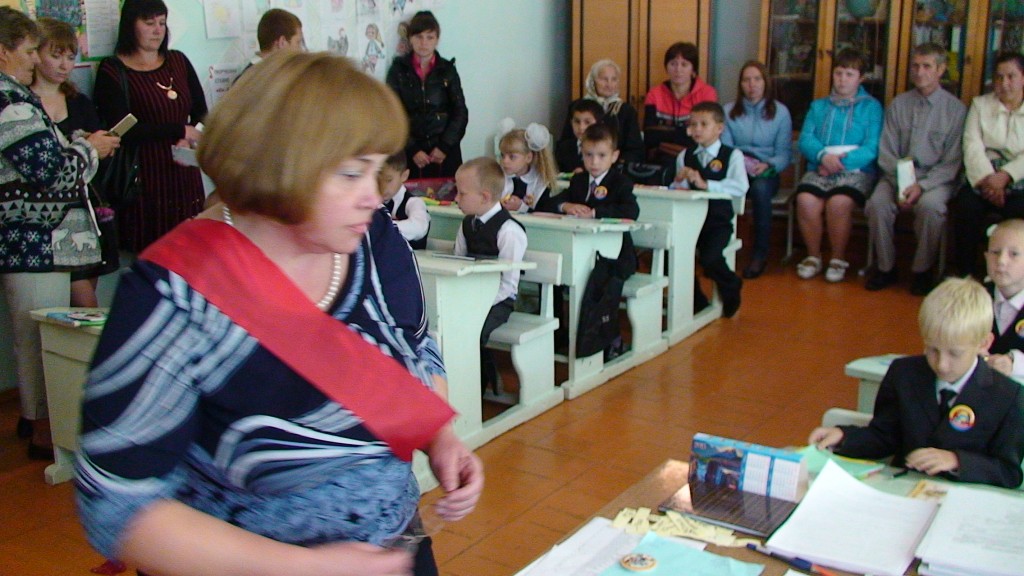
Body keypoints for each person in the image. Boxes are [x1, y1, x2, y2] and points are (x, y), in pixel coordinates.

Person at [75, 52, 483, 576]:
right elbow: (117, 507)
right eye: (351, 172)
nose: (373, 195)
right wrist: (308, 568)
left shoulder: (373, 238)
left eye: (376, 169)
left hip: (392, 549)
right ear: (282, 165)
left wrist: (439, 437)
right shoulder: (173, 294)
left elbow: (414, 347)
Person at [0, 7, 119, 458]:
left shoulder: (15, 98)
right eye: (30, 50)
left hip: (34, 240)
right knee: (38, 340)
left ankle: (40, 422)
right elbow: (52, 173)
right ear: (4, 51)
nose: (35, 60)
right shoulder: (10, 103)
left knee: (35, 338)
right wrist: (90, 149)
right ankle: (44, 433)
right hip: (33, 240)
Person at [809, 277, 1024, 489]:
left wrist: (957, 461)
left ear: (984, 343)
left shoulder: (1008, 396)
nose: (942, 365)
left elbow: (1009, 472)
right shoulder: (904, 374)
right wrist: (844, 437)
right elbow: (884, 437)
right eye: (932, 349)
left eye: (955, 353)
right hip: (905, 491)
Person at [93, 0, 208, 252]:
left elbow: (202, 112)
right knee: (151, 254)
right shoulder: (113, 70)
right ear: (130, 26)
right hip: (143, 179)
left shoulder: (178, 61)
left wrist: (190, 136)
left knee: (190, 250)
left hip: (183, 174)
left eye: (162, 23)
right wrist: (179, 130)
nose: (158, 30)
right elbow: (122, 130)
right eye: (149, 23)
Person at [30, 17, 122, 307]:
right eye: (56, 56)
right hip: (48, 214)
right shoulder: (24, 104)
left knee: (83, 297)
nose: (64, 65)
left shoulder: (79, 101)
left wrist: (102, 145)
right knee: (83, 302)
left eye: (70, 58)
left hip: (86, 208)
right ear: (35, 55)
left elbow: (98, 157)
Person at [865, 43, 966, 296]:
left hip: (935, 179)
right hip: (896, 176)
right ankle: (886, 267)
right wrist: (903, 184)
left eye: (927, 66)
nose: (920, 72)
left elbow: (952, 163)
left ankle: (922, 270)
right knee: (877, 204)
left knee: (931, 208)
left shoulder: (955, 110)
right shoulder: (899, 104)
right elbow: (886, 151)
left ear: (941, 70)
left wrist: (921, 186)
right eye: (916, 66)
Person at [795, 48, 883, 283]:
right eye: (838, 73)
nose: (842, 79)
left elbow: (873, 146)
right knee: (805, 200)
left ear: (860, 78)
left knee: (839, 203)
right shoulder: (818, 106)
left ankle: (837, 258)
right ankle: (813, 256)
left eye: (849, 74)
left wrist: (838, 164)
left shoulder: (871, 107)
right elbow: (806, 139)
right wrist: (823, 157)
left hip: (856, 171)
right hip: (820, 167)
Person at [453, 157, 527, 393]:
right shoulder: (466, 224)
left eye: (462, 193)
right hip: (470, 297)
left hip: (498, 302)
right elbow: (458, 262)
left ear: (484, 196)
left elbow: (509, 285)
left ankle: (475, 387)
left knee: (472, 331)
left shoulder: (509, 231)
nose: (456, 199)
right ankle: (468, 382)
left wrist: (479, 303)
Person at [670, 101, 748, 318]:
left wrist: (707, 185)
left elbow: (740, 186)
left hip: (717, 222)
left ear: (719, 128)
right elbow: (679, 191)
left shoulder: (732, 155)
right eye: (693, 124)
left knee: (710, 258)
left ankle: (731, 284)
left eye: (704, 124)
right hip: (690, 221)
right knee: (674, 257)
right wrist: (679, 181)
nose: (697, 129)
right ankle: (697, 301)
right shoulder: (684, 156)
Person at [954, 52, 1024, 278]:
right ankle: (966, 276)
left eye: (1011, 76)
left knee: (1018, 213)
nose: (1004, 83)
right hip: (983, 179)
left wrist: (1006, 175)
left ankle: (1012, 277)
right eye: (999, 77)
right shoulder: (980, 105)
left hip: (1018, 180)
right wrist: (989, 181)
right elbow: (972, 145)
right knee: (966, 207)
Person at [722, 60, 792, 279]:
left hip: (766, 170)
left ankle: (759, 255)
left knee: (761, 190)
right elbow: (725, 148)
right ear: (740, 84)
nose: (752, 85)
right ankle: (718, 252)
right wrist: (739, 163)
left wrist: (769, 164)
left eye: (757, 79)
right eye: (746, 80)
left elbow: (784, 153)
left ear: (765, 82)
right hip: (737, 168)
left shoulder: (781, 112)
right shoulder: (728, 111)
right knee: (718, 190)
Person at [541, 122, 640, 274]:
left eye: (602, 155)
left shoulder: (620, 182)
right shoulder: (578, 180)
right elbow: (549, 203)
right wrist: (566, 206)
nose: (594, 162)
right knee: (556, 266)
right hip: (580, 249)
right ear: (582, 153)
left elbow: (631, 211)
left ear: (614, 156)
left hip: (615, 256)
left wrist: (594, 213)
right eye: (589, 155)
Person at [386, 10, 468, 179]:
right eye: (418, 37)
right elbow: (391, 114)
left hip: (445, 152)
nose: (424, 43)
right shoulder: (398, 70)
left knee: (450, 194)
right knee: (412, 196)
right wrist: (412, 149)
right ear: (410, 38)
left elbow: (460, 112)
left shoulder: (448, 70)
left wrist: (444, 146)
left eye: (430, 37)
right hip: (411, 154)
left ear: (437, 40)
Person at [643, 42, 717, 167]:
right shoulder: (654, 94)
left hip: (696, 156)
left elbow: (706, 134)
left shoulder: (707, 93)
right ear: (666, 67)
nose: (678, 69)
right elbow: (650, 136)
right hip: (661, 158)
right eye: (673, 64)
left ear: (693, 69)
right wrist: (687, 132)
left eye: (684, 64)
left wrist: (665, 134)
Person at [560, 59, 644, 164]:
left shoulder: (626, 111)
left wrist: (612, 166)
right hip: (579, 165)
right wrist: (577, 167)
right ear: (593, 80)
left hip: (615, 167)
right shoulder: (577, 106)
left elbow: (635, 149)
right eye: (604, 79)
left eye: (614, 79)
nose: (609, 84)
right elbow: (566, 143)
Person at [983, 219, 1024, 380]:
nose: (1001, 261)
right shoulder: (972, 298)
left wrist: (1014, 363)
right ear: (986, 257)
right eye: (995, 252)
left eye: (1013, 254)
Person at [498, 123, 558, 214]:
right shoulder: (497, 178)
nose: (505, 161)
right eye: (502, 155)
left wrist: (521, 207)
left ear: (528, 157)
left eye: (512, 157)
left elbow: (543, 213)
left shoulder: (540, 183)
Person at [235, 8, 304, 82]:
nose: (300, 50)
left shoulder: (246, 77)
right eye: (298, 42)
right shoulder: (270, 81)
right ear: (282, 42)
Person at [379, 151, 430, 249]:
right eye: (378, 180)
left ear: (404, 176)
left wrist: (380, 227)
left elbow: (419, 228)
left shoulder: (414, 203)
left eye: (388, 180)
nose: (382, 186)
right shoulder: (372, 203)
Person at [555, 98, 604, 173]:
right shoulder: (563, 148)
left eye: (587, 122)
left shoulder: (605, 150)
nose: (581, 127)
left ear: (599, 124)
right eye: (577, 122)